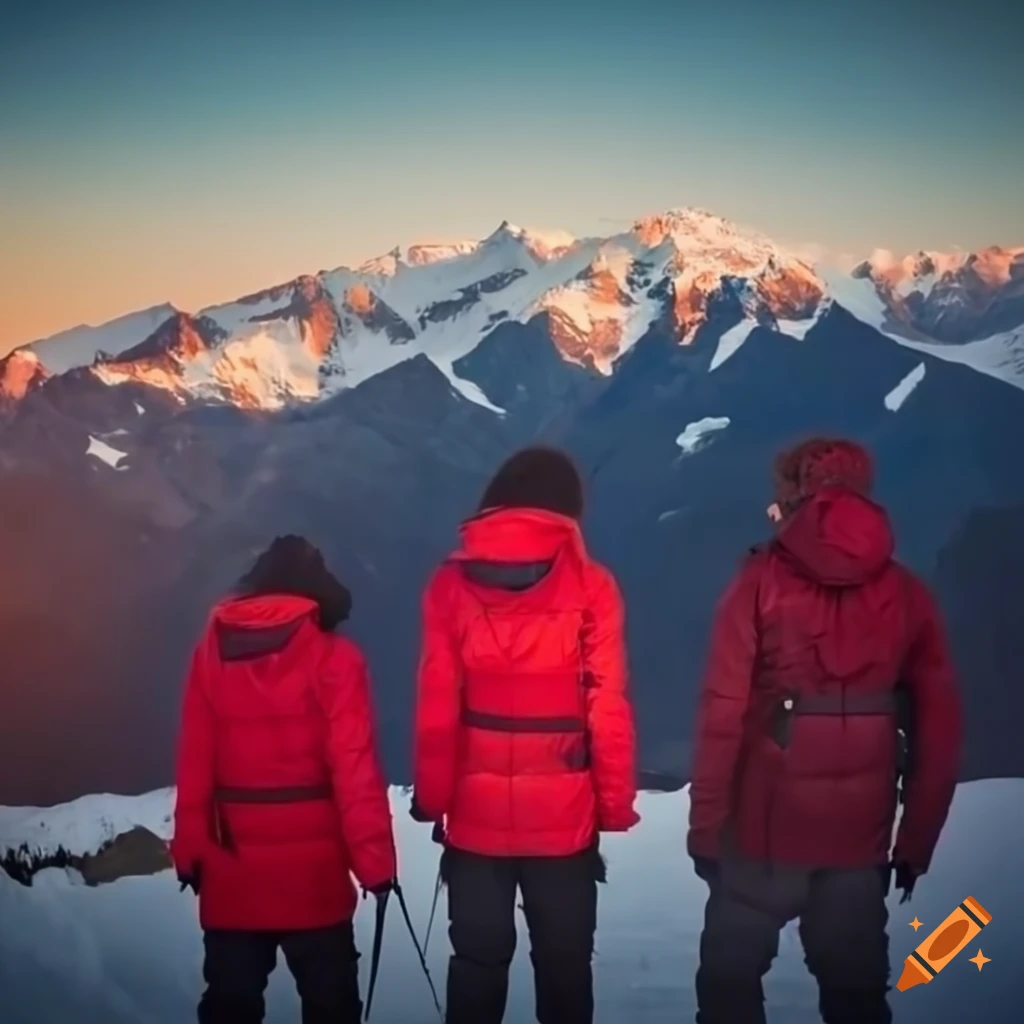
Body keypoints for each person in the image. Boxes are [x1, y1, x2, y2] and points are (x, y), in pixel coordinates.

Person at [687, 438, 963, 1024]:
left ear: (792, 495)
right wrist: (915, 844)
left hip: (761, 838)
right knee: (856, 998)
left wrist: (706, 830)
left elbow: (721, 711)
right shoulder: (908, 594)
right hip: (858, 842)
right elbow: (939, 728)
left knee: (728, 986)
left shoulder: (757, 581)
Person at [411, 446, 640, 1024]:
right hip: (565, 820)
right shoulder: (593, 587)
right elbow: (607, 705)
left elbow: (437, 703)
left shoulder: (448, 584)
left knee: (476, 964)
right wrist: (613, 805)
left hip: (475, 821)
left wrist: (433, 798)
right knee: (565, 968)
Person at [169, 535, 397, 1024]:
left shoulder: (210, 655)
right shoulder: (337, 659)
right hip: (315, 881)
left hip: (232, 875)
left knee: (230, 1007)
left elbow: (194, 762)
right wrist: (376, 866)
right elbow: (355, 770)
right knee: (331, 1007)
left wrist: (189, 851)